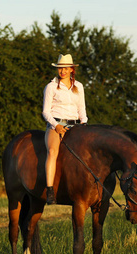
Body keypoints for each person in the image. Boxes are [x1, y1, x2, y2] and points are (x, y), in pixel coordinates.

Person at [42, 54, 88, 205]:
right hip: (56, 125)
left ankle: (92, 190)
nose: (62, 71)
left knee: (89, 153)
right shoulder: (50, 87)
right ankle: (50, 190)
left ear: (71, 70)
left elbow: (81, 108)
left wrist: (84, 123)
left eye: (65, 68)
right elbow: (45, 111)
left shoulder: (79, 86)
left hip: (75, 126)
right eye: (60, 68)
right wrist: (56, 126)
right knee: (53, 152)